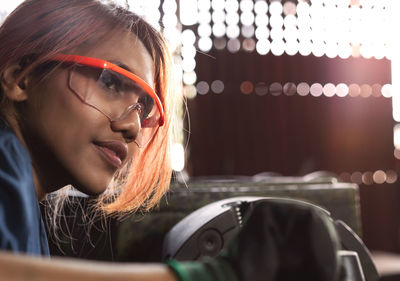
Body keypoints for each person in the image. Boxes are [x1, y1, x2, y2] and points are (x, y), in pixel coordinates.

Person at [0, 1, 343, 281]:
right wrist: (207, 276)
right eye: (110, 82)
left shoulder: (29, 207)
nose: (133, 126)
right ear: (21, 78)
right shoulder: (6, 156)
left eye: (144, 106)